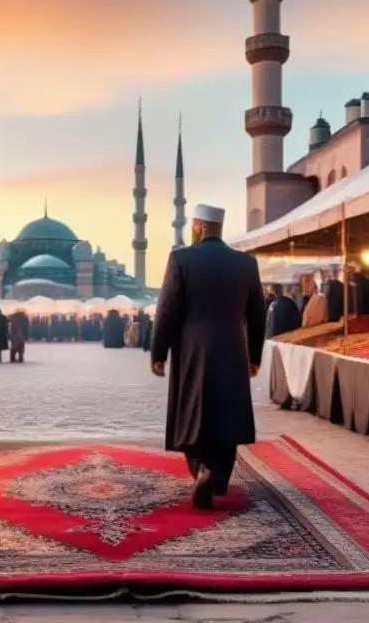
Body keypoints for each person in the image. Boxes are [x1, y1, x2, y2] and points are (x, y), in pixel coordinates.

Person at [150, 204, 266, 510]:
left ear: (199, 226)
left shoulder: (181, 259)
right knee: (227, 412)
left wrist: (159, 352)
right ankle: (218, 475)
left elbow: (167, 309)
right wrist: (254, 356)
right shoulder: (246, 263)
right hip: (232, 349)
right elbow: (257, 316)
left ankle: (201, 466)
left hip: (192, 351)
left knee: (192, 409)